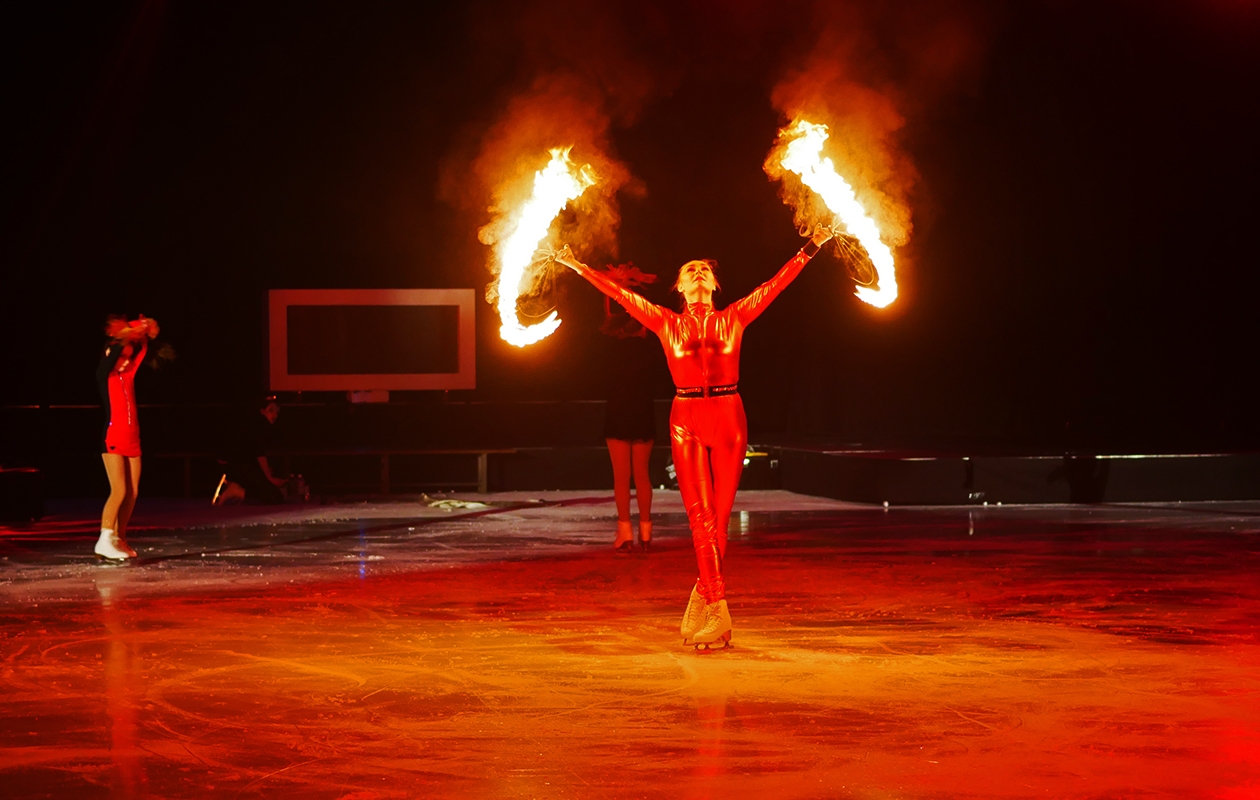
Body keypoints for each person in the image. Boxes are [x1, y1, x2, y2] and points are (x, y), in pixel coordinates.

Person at [556, 227, 833, 649]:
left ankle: (705, 597)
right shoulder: (665, 322)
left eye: (705, 269)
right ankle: (717, 608)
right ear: (681, 287)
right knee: (698, 519)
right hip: (685, 416)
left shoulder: (735, 316)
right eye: (691, 270)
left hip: (728, 415)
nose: (699, 272)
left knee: (718, 521)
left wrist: (811, 247)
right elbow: (622, 296)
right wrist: (576, 265)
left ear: (714, 285)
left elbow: (777, 283)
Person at [598, 264, 660, 554]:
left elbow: (611, 313)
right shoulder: (647, 338)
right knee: (642, 474)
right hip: (641, 409)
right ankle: (645, 532)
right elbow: (634, 313)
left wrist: (616, 285)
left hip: (621, 409)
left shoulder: (613, 339)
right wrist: (629, 283)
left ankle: (625, 532)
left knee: (621, 477)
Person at [95, 314, 160, 561]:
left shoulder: (129, 374)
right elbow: (113, 353)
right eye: (121, 356)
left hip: (133, 438)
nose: (125, 359)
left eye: (127, 356)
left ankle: (118, 537)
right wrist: (126, 334)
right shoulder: (105, 375)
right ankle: (104, 538)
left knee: (132, 492)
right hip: (113, 436)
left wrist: (143, 329)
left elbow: (144, 348)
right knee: (119, 490)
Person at [214, 396, 286, 505]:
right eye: (271, 410)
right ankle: (236, 490)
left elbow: (252, 451)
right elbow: (258, 451)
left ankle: (236, 487)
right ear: (262, 411)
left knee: (273, 494)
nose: (275, 415)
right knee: (274, 497)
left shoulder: (254, 423)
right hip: (234, 465)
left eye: (277, 412)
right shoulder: (259, 423)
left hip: (236, 464)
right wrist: (269, 477)